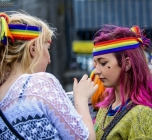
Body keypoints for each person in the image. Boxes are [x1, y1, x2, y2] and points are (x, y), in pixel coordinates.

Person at [0, 12, 97, 140]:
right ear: (33, 48)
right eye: (48, 49)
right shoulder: (40, 83)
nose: (49, 59)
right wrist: (81, 99)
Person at [77, 24, 152, 139]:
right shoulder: (105, 108)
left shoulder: (141, 115)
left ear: (126, 64)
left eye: (103, 63)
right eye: (95, 63)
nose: (96, 71)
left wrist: (81, 102)